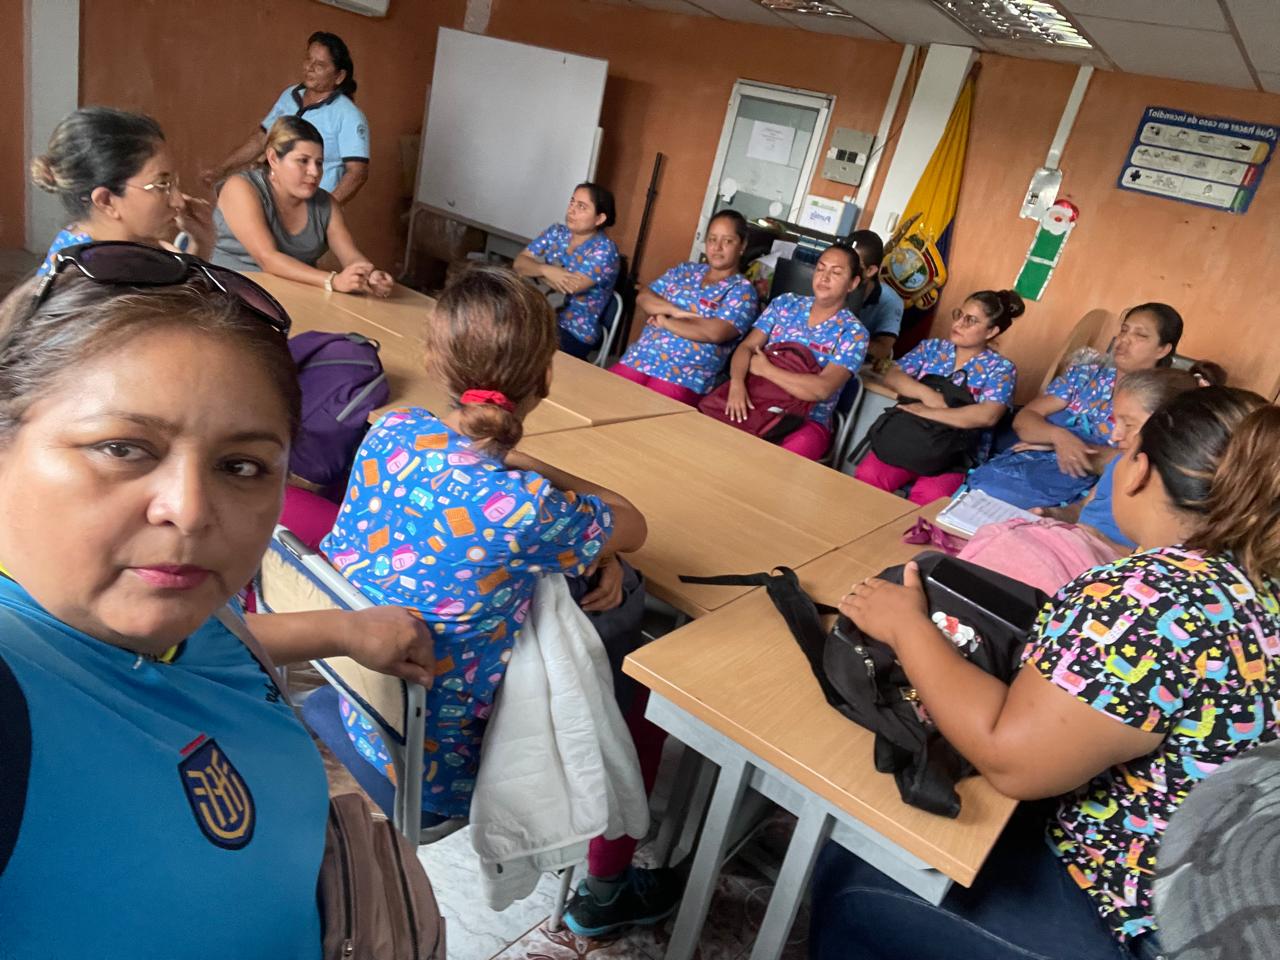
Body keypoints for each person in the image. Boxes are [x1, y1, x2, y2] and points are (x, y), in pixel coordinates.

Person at [0, 243, 436, 956]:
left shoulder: (168, 615)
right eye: (123, 448)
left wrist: (345, 630)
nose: (192, 510)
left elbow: (201, 651)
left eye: (242, 465)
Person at [819, 386, 1278, 960]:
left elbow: (1010, 760)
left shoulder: (1146, 600)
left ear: (1138, 471)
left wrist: (907, 626)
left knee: (858, 860)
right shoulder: (1256, 587)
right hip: (1229, 896)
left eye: (1126, 446)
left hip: (1139, 919)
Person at [320, 266, 684, 932]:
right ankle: (607, 882)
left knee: (591, 583)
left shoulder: (392, 430)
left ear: (433, 361)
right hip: (439, 768)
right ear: (545, 379)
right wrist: (539, 476)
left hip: (358, 709)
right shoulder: (527, 508)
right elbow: (632, 522)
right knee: (637, 639)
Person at [966, 302, 1184, 509]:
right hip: (1026, 468)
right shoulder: (1085, 376)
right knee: (982, 488)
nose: (1124, 340)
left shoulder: (1162, 404)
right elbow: (1025, 419)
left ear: (1163, 349)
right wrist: (1058, 437)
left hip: (1088, 493)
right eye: (1124, 330)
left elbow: (1136, 465)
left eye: (1140, 335)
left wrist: (1072, 448)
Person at [855, 289, 1022, 505]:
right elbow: (893, 375)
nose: (959, 323)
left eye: (971, 320)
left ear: (991, 331)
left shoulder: (1001, 369)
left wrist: (931, 412)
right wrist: (927, 394)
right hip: (911, 438)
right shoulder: (932, 348)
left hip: (954, 455)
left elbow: (987, 415)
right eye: (959, 314)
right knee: (868, 478)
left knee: (930, 500)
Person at [211, 116, 392, 296]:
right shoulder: (241, 188)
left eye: (319, 163)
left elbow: (350, 255)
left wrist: (368, 276)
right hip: (227, 294)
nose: (314, 172)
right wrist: (333, 281)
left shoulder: (327, 204)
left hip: (292, 295)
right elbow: (267, 258)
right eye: (303, 161)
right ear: (273, 158)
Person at [719, 244, 869, 460]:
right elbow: (746, 348)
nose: (824, 277)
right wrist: (736, 384)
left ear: (853, 283)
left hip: (807, 421)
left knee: (771, 462)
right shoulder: (785, 304)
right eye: (820, 268)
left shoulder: (853, 333)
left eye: (836, 272)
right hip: (758, 399)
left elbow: (821, 389)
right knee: (715, 439)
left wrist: (766, 370)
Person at [31, 107, 215, 275]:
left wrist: (201, 242)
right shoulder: (101, 277)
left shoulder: (87, 246)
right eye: (162, 185)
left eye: (174, 182)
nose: (178, 202)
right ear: (106, 201)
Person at [202, 32, 369, 205]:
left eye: (319, 65)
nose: (309, 68)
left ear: (339, 76)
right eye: (308, 59)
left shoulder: (348, 115)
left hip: (310, 207)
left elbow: (357, 173)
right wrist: (222, 169)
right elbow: (261, 138)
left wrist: (325, 211)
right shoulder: (290, 95)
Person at [611, 209, 758, 403]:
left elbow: (714, 332)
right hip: (641, 358)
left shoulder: (742, 291)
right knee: (605, 397)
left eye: (728, 241)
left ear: (742, 246)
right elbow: (644, 297)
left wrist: (664, 321)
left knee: (646, 411)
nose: (717, 247)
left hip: (685, 375)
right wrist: (675, 311)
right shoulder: (685, 270)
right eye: (712, 239)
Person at [514, 183, 620, 359]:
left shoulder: (605, 250)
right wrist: (546, 269)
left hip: (573, 329)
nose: (572, 210)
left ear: (599, 218)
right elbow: (519, 263)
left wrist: (534, 272)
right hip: (535, 312)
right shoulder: (556, 232)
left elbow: (570, 286)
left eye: (581, 207)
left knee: (520, 348)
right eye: (572, 202)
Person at [848, 229, 903, 364]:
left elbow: (883, 349)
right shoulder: (831, 283)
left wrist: (847, 340)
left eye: (853, 265)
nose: (844, 269)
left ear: (870, 270)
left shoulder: (890, 301)